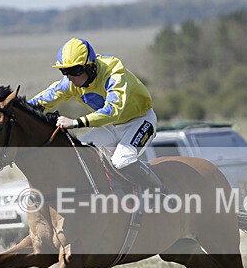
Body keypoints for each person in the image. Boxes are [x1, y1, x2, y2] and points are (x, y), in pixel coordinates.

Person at [27, 37, 164, 192]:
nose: (70, 77)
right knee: (80, 156)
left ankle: (160, 190)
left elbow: (112, 111)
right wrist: (9, 108)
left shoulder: (114, 73)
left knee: (122, 160)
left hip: (140, 121)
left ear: (90, 66)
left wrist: (75, 122)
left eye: (75, 70)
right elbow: (41, 101)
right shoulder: (70, 83)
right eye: (65, 71)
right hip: (110, 126)